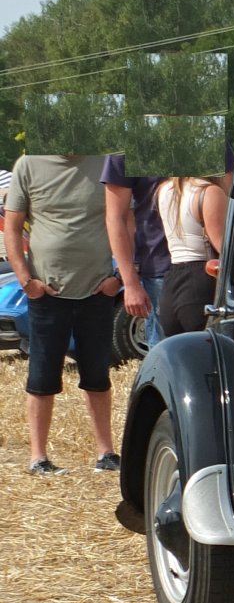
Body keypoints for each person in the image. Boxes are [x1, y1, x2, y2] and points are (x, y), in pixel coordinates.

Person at [3, 154, 122, 475]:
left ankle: (107, 454)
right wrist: (26, 281)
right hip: (47, 294)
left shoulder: (107, 163)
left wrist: (118, 278)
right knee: (42, 375)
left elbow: (125, 219)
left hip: (98, 291)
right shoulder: (28, 165)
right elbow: (12, 228)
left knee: (98, 375)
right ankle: (38, 458)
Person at [102, 154, 170, 348]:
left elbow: (230, 195)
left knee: (218, 352)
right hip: (158, 270)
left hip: (212, 265)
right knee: (165, 355)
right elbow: (115, 218)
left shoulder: (205, 137)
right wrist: (130, 284)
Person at [155, 175, 226, 335]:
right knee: (212, 348)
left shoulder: (164, 190)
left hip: (171, 285)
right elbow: (224, 248)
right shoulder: (209, 192)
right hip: (202, 281)